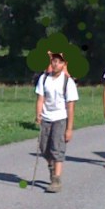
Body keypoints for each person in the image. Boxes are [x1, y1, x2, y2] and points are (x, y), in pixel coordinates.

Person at [34, 51, 79, 193]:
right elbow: (41, 98)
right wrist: (38, 114)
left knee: (57, 149)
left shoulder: (68, 82)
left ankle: (56, 179)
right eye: (54, 61)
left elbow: (71, 106)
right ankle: (52, 169)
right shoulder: (44, 78)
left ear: (64, 64)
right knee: (44, 148)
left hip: (60, 118)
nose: (56, 64)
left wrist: (69, 128)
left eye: (59, 62)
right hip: (46, 118)